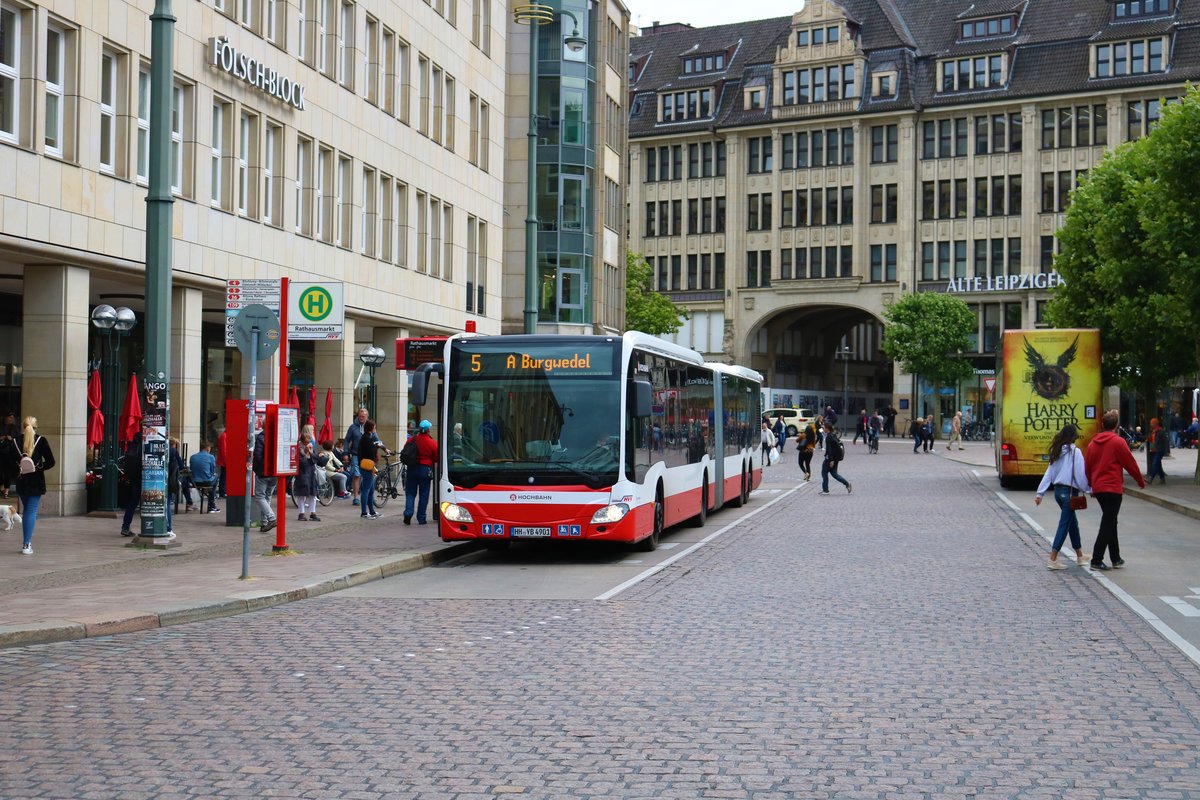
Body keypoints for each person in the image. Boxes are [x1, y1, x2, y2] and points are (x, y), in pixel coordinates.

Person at [1085, 410, 1145, 571]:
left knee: (1111, 521)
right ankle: (1096, 559)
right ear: (1116, 425)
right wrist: (1140, 481)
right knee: (1108, 522)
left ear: (1102, 425)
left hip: (1099, 488)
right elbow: (1130, 463)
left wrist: (1091, 485)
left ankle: (1116, 557)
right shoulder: (1118, 442)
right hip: (1112, 487)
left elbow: (1088, 467)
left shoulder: (1092, 443)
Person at [1035, 424, 1091, 570]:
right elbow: (1080, 473)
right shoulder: (1075, 452)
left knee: (1072, 523)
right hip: (1070, 493)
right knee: (1065, 524)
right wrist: (1089, 489)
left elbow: (1049, 473)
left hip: (1058, 492)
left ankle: (1080, 555)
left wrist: (1040, 493)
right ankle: (1052, 558)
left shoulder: (1057, 451)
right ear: (1074, 436)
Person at [13, 416, 55, 555]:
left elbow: (8, 462)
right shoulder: (41, 441)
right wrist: (39, 467)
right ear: (36, 427)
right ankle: (26, 544)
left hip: (21, 480)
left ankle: (26, 543)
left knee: (27, 510)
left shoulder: (15, 441)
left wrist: (19, 468)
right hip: (36, 481)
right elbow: (51, 461)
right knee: (30, 511)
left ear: (23, 426)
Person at [403, 419, 438, 525]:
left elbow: (406, 451)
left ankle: (408, 513)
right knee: (424, 494)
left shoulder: (412, 440)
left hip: (412, 468)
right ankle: (421, 518)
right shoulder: (432, 442)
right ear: (428, 430)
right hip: (425, 470)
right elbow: (436, 458)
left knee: (410, 493)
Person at [119, 422, 145, 537]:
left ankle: (125, 526)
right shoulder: (148, 440)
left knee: (133, 502)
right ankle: (151, 527)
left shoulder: (135, 440)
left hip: (135, 476)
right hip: (146, 475)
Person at [251, 428, 276, 533]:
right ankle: (264, 523)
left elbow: (258, 455)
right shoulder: (277, 434)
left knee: (260, 497)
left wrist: (256, 468)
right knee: (267, 496)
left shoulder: (261, 437)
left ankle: (271, 518)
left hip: (263, 471)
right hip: (275, 471)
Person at [358, 419, 384, 519]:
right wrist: (376, 446)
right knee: (366, 490)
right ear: (371, 428)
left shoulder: (368, 437)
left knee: (371, 489)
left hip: (368, 465)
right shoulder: (366, 438)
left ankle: (372, 511)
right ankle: (364, 513)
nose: (375, 429)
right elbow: (370, 452)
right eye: (374, 427)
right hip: (367, 466)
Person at [293, 431, 321, 521]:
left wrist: (311, 453)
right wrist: (305, 454)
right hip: (302, 473)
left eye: (308, 442)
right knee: (302, 494)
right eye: (305, 442)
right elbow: (303, 463)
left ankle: (313, 512)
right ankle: (301, 513)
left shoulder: (311, 447)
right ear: (301, 442)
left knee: (313, 493)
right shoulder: (298, 449)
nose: (307, 444)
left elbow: (315, 459)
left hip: (311, 473)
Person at [819, 421, 851, 495]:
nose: (823, 428)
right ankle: (847, 483)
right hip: (835, 458)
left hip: (829, 459)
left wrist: (831, 460)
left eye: (824, 427)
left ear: (827, 429)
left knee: (824, 473)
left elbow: (830, 450)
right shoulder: (833, 435)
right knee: (834, 474)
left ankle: (825, 490)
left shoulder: (828, 438)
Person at [344, 407, 368, 506]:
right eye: (360, 416)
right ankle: (356, 497)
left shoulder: (370, 426)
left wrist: (384, 448)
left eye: (363, 416)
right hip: (356, 455)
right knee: (357, 475)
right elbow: (346, 440)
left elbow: (376, 438)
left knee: (366, 476)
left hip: (367, 456)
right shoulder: (353, 427)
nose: (361, 418)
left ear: (367, 417)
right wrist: (345, 453)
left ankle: (365, 496)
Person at [188, 440, 220, 513]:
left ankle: (212, 498)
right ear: (208, 448)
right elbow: (212, 471)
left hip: (195, 482)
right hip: (207, 481)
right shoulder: (211, 457)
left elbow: (192, 469)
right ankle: (211, 504)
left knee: (212, 478)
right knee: (216, 477)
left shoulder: (192, 457)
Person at [0, 411, 20, 498]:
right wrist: (3, 438)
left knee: (8, 472)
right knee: (0, 471)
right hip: (1, 452)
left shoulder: (15, 428)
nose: (11, 419)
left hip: (10, 453)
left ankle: (6, 491)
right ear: (5, 418)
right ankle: (2, 487)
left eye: (12, 418)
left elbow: (18, 440)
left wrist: (11, 439)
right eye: (9, 417)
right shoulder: (1, 427)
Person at [1146, 417, 1168, 485]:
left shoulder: (1161, 431)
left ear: (1155, 424)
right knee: (1158, 465)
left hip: (1159, 450)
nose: (1151, 424)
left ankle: (1151, 478)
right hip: (1153, 449)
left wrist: (1166, 451)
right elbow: (1149, 438)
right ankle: (1162, 478)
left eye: (1152, 423)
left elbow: (1165, 441)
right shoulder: (1151, 430)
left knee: (1155, 463)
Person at [215, 427, 227, 498]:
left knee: (224, 475)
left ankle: (223, 491)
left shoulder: (224, 435)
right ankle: (222, 491)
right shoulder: (224, 436)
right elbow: (224, 450)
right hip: (225, 460)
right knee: (224, 476)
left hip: (225, 460)